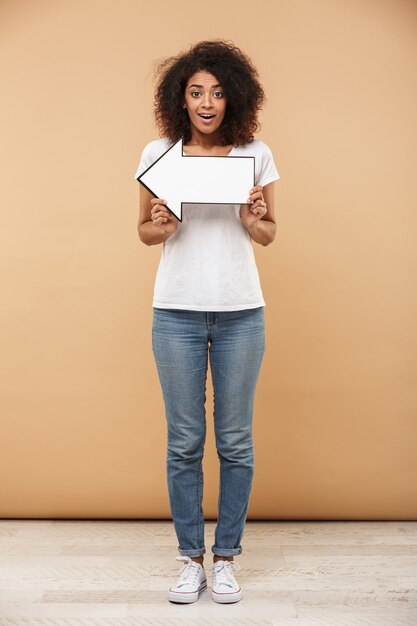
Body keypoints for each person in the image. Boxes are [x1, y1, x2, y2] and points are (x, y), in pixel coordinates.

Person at [134, 39, 280, 604]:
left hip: (242, 310)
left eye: (217, 92)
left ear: (234, 97)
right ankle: (190, 558)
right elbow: (143, 231)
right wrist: (161, 226)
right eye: (196, 92)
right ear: (180, 98)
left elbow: (268, 233)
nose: (207, 102)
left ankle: (226, 559)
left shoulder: (255, 153)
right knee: (185, 442)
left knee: (236, 440)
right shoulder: (157, 152)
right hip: (176, 313)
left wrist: (253, 218)